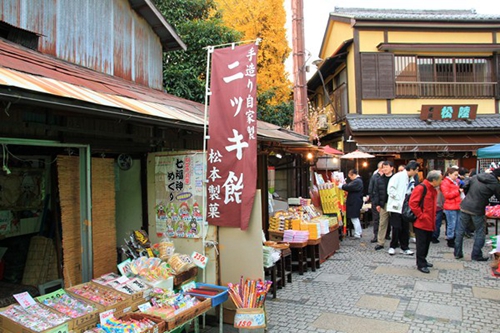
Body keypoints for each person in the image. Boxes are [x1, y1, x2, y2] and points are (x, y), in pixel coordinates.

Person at [455, 168, 500, 261]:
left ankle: (457, 253)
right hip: (478, 209)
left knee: (460, 230)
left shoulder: (476, 177)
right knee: (480, 232)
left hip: (465, 205)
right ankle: (476, 255)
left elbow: (465, 187)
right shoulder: (495, 183)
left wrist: (469, 197)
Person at [410, 170, 443, 273]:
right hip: (422, 221)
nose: (441, 181)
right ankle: (420, 263)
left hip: (430, 220)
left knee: (427, 242)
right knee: (421, 243)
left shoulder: (432, 188)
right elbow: (413, 203)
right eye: (440, 179)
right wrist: (421, 215)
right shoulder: (421, 188)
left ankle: (423, 259)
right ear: (434, 180)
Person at [386, 161, 420, 255]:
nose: (417, 172)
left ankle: (405, 247)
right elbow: (390, 189)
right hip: (396, 206)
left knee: (405, 228)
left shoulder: (412, 179)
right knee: (396, 227)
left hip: (405, 206)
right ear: (412, 169)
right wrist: (399, 198)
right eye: (416, 170)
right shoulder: (398, 176)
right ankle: (393, 246)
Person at [372, 161, 394, 250]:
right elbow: (376, 192)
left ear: (392, 168)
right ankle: (380, 242)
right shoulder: (379, 179)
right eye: (383, 167)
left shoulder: (395, 178)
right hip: (383, 204)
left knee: (396, 223)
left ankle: (396, 241)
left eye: (386, 167)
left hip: (394, 203)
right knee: (382, 223)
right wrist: (377, 204)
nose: (384, 169)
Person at [440, 167, 463, 248]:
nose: (456, 177)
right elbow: (447, 195)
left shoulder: (455, 182)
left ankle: (455, 239)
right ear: (449, 174)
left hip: (457, 205)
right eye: (455, 175)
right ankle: (450, 240)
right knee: (451, 224)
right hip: (450, 206)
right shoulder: (445, 182)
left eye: (457, 175)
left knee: (457, 224)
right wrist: (458, 192)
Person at [339, 169, 364, 238]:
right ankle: (358, 232)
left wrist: (342, 186)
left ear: (353, 175)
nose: (350, 178)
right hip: (355, 201)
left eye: (350, 176)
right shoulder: (358, 181)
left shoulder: (357, 181)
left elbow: (349, 187)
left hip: (354, 202)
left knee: (354, 218)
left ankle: (357, 233)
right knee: (355, 218)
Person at [367, 161, 384, 243]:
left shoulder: (388, 176)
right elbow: (370, 188)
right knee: (376, 219)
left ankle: (385, 234)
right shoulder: (374, 176)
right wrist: (373, 199)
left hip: (385, 201)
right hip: (375, 201)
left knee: (385, 219)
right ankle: (376, 235)